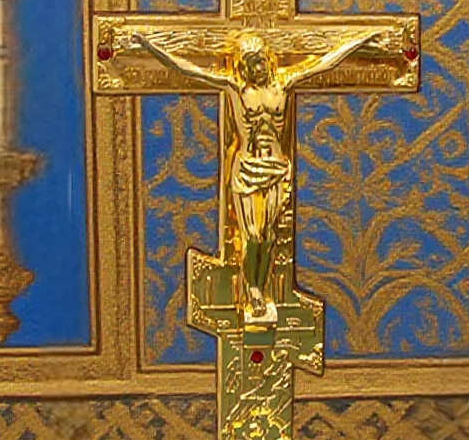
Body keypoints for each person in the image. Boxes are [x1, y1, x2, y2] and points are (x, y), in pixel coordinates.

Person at [133, 26, 381, 321]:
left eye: (261, 61)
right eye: (252, 63)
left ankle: (261, 285)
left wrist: (361, 41)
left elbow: (325, 61)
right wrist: (149, 45)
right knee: (252, 234)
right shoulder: (236, 90)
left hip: (276, 166)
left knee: (269, 235)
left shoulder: (284, 85)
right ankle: (253, 290)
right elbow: (189, 69)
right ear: (244, 66)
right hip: (248, 167)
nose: (258, 67)